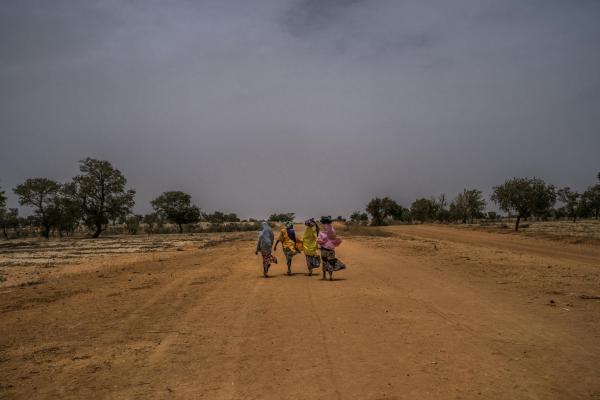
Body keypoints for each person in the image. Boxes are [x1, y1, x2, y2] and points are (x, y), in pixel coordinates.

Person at [317, 216, 345, 281]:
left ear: (323, 222)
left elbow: (319, 240)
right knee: (331, 262)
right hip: (331, 249)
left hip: (324, 249)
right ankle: (330, 276)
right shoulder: (333, 230)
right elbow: (334, 238)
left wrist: (321, 243)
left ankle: (324, 276)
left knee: (324, 262)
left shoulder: (322, 232)